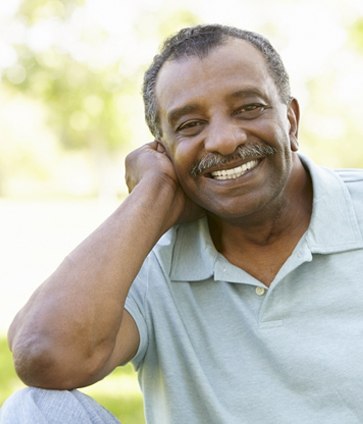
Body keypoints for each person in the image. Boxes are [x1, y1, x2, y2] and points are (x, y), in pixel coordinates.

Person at [1, 23, 363, 424]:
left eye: (248, 107)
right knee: (32, 410)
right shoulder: (148, 255)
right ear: (163, 150)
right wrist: (152, 195)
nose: (224, 140)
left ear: (291, 121)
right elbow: (44, 355)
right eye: (190, 125)